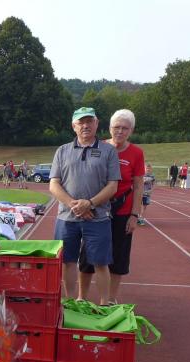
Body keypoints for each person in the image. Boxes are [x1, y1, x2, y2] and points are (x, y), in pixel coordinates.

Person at [49, 107, 120, 305]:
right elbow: (54, 184)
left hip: (98, 217)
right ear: (74, 126)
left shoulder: (108, 151)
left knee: (101, 263)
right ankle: (71, 302)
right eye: (81, 122)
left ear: (96, 124)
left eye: (89, 121)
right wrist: (75, 205)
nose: (85, 126)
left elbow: (112, 186)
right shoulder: (62, 151)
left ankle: (104, 304)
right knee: (67, 261)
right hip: (67, 217)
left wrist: (89, 204)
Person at [78, 109, 144, 305]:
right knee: (88, 254)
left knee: (118, 256)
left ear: (131, 130)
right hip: (96, 208)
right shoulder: (99, 146)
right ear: (109, 128)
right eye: (117, 127)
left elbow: (138, 185)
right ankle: (81, 297)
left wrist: (134, 215)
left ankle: (110, 299)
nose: (120, 131)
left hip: (122, 210)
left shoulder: (136, 153)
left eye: (125, 128)